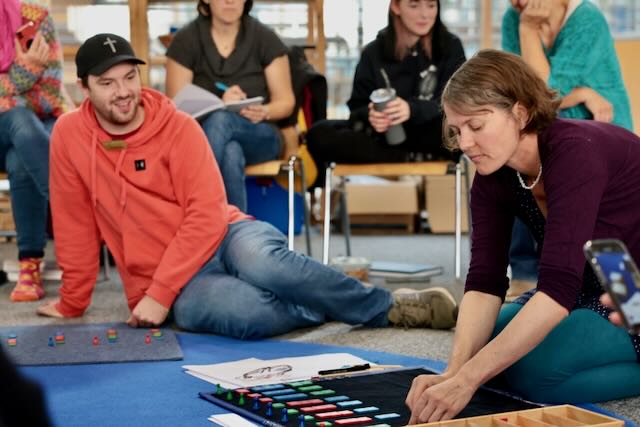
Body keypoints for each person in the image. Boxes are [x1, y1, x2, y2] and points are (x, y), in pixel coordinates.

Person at [35, 33, 458, 339]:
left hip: (223, 233)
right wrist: (73, 301)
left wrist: (159, 295)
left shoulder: (178, 126)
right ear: (82, 88)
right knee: (243, 312)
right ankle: (324, 300)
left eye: (130, 78)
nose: (123, 92)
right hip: (168, 277)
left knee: (266, 265)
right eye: (107, 83)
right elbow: (74, 221)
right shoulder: (70, 136)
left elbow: (206, 214)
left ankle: (387, 306)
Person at [405, 50, 640, 423]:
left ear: (520, 112)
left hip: (629, 287)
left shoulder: (574, 151)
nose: (464, 143)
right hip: (589, 281)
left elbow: (557, 288)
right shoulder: (494, 172)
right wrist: (455, 371)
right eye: (457, 130)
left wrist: (468, 379)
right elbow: (485, 281)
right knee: (490, 343)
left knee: (534, 371)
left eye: (476, 126)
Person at [502, 0, 633, 298]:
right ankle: (526, 273)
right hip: (548, 125)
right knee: (517, 165)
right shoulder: (514, 16)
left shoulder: (587, 19)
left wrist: (528, 31)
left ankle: (617, 290)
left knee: (591, 210)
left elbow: (545, 92)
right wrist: (583, 93)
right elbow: (515, 90)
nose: (517, 2)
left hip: (601, 127)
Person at [305, 0, 465, 187]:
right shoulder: (373, 52)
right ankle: (408, 157)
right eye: (414, 6)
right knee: (319, 132)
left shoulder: (451, 46)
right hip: (383, 137)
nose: (425, 14)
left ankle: (410, 155)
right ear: (396, 7)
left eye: (431, 6)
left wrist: (411, 109)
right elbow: (356, 107)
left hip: (429, 132)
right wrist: (371, 115)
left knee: (456, 132)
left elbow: (457, 102)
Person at [164, 0, 295, 212]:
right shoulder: (185, 40)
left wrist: (264, 111)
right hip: (206, 138)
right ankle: (233, 231)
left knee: (221, 120)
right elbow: (175, 109)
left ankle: (193, 208)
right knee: (231, 153)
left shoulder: (265, 38)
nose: (230, 1)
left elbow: (286, 102)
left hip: (261, 134)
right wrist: (220, 102)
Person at [0, 0, 69, 302]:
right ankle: (79, 214)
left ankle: (30, 265)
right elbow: (34, 90)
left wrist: (7, 93)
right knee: (20, 120)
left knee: (20, 158)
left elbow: (50, 94)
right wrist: (26, 71)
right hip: (26, 129)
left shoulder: (36, 18)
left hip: (37, 129)